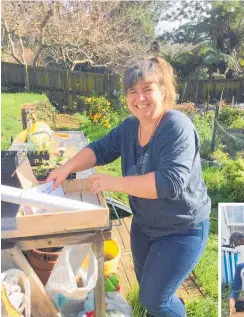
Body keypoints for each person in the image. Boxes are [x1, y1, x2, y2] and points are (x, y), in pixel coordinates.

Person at [47, 56, 211, 317]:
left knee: (155, 300)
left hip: (183, 229)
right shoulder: (130, 127)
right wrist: (67, 168)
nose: (140, 98)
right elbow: (99, 149)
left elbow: (170, 183)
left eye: (148, 89)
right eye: (133, 91)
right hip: (145, 226)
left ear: (163, 91)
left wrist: (116, 183)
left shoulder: (176, 126)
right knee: (149, 291)